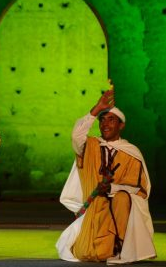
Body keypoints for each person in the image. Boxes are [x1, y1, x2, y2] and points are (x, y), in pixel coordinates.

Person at [56, 85, 155, 264]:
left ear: (121, 125)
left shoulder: (131, 152)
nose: (105, 124)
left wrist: (113, 188)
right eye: (102, 120)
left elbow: (139, 188)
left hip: (120, 210)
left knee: (122, 197)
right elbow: (76, 136)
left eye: (111, 120)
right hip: (95, 208)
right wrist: (95, 110)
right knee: (87, 253)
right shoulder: (90, 146)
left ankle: (121, 248)